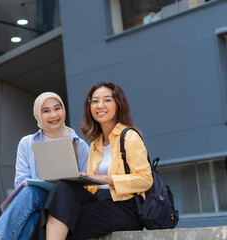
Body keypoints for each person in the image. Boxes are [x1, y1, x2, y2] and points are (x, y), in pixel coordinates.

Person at [29, 82, 153, 240]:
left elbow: (145, 180)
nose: (100, 105)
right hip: (99, 202)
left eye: (107, 100)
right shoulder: (96, 143)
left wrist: (104, 179)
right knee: (62, 188)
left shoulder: (129, 137)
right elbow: (91, 188)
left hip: (125, 207)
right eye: (94, 101)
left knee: (61, 218)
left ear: (118, 105)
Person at [0, 92, 90, 240]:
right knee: (30, 194)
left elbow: (88, 186)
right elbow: (20, 183)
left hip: (65, 206)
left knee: (31, 216)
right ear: (38, 115)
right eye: (46, 111)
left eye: (57, 108)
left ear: (63, 110)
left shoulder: (80, 145)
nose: (53, 115)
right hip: (37, 201)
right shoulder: (27, 143)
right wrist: (41, 182)